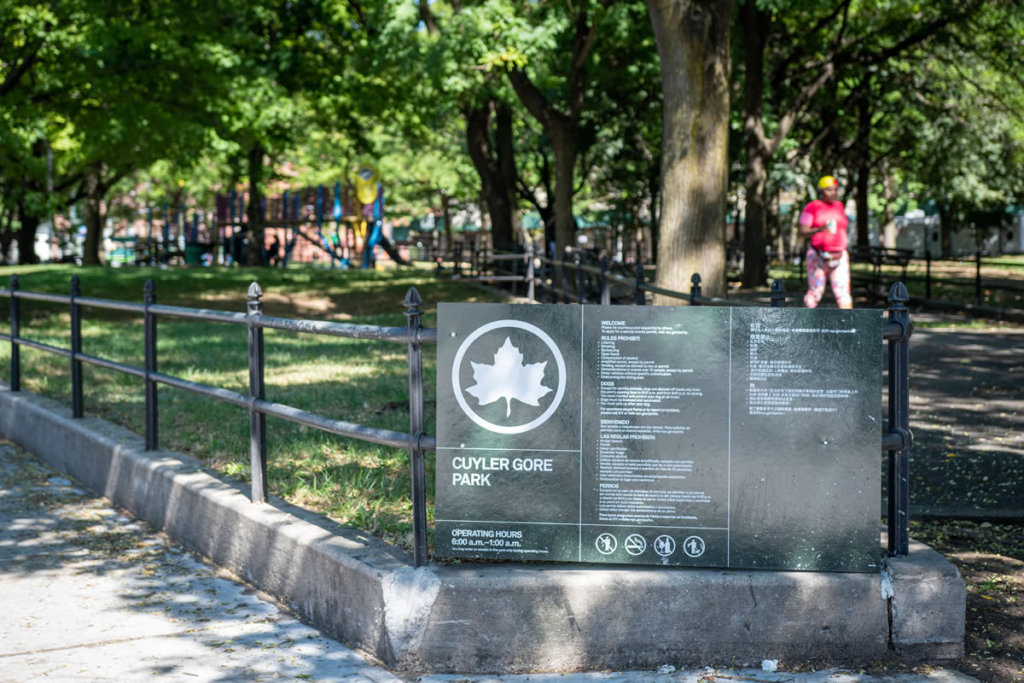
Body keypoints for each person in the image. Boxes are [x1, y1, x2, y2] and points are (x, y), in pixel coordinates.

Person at [798, 175, 852, 309]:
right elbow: (802, 231)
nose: (833, 193)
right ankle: (806, 325)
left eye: (835, 189)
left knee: (843, 293)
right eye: (829, 190)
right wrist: (821, 229)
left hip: (839, 255)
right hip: (818, 255)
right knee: (815, 292)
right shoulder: (812, 207)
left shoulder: (839, 206)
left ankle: (848, 327)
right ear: (821, 192)